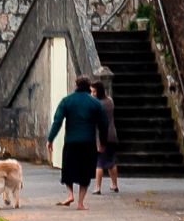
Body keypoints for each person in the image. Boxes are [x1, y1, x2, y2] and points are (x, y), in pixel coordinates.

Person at [45, 76, 102, 209]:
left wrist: (50, 139)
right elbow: (103, 124)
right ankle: (80, 203)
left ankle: (70, 194)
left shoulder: (67, 101)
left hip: (71, 142)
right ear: (88, 86)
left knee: (68, 170)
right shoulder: (94, 103)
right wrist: (103, 141)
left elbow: (57, 121)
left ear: (76, 85)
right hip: (88, 143)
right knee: (85, 173)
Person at [92, 76, 125, 196]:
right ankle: (114, 184)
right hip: (112, 134)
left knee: (100, 163)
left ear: (98, 92)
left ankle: (97, 187)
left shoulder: (97, 105)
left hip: (102, 135)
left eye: (94, 91)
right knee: (111, 161)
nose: (92, 94)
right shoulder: (110, 101)